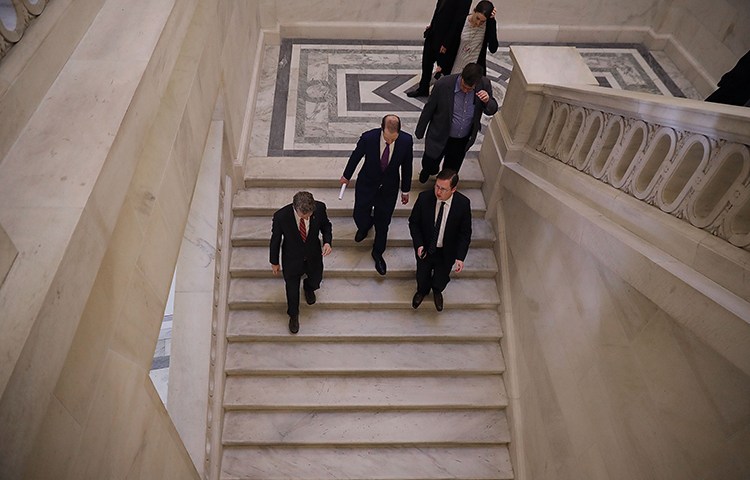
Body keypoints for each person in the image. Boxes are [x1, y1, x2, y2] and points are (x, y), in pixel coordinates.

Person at [340, 114, 413, 275]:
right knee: (359, 213)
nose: (390, 142)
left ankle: (378, 253)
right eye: (387, 139)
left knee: (383, 223)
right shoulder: (368, 138)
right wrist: (346, 175)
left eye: (393, 140)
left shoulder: (406, 141)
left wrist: (405, 190)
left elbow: (407, 166)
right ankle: (365, 226)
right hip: (367, 183)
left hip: (389, 188)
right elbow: (356, 157)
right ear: (382, 129)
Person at [415, 62, 498, 182]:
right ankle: (428, 171)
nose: (465, 90)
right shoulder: (443, 84)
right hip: (440, 133)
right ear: (461, 76)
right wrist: (420, 131)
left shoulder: (484, 85)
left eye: (469, 89)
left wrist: (487, 101)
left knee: (451, 169)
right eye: (463, 86)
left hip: (462, 139)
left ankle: (443, 186)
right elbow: (429, 108)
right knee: (430, 161)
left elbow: (492, 109)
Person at [409, 169, 472, 311]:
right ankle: (422, 291)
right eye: (437, 186)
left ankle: (437, 291)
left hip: (447, 252)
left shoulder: (463, 204)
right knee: (422, 275)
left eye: (443, 189)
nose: (438, 192)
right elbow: (414, 223)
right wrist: (419, 245)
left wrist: (460, 257)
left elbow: (465, 233)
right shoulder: (424, 198)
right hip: (426, 249)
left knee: (442, 277)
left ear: (453, 189)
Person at [270, 191, 332, 334]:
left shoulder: (320, 208)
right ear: (295, 208)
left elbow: (326, 226)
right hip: (291, 258)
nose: (307, 217)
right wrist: (274, 261)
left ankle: (309, 287)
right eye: (304, 216)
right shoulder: (281, 216)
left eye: (309, 215)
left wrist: (327, 242)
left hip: (313, 254)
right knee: (291, 291)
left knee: (317, 279)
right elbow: (276, 240)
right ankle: (293, 315)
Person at [406, 0, 472, 98]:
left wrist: (446, 43)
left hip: (446, 39)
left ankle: (444, 96)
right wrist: (432, 26)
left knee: (445, 69)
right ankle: (423, 89)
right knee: (426, 62)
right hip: (433, 34)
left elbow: (458, 22)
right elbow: (438, 10)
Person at [446, 1, 498, 76]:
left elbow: (493, 48)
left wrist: (492, 22)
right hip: (456, 65)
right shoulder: (461, 21)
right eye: (477, 18)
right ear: (474, 11)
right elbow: (450, 43)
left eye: (482, 21)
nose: (478, 23)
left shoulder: (488, 26)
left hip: (474, 71)